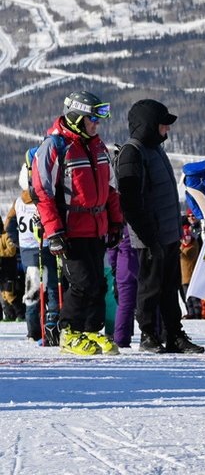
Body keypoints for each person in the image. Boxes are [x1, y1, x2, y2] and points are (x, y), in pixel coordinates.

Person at [32, 90, 123, 356]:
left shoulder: (97, 145)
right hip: (70, 229)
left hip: (97, 226)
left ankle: (91, 331)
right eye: (91, 119)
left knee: (98, 283)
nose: (96, 124)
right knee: (82, 283)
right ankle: (68, 332)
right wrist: (54, 231)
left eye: (97, 119)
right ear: (76, 117)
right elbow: (42, 192)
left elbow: (111, 188)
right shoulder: (55, 146)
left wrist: (116, 222)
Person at [117, 99, 204, 354]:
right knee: (150, 287)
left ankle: (173, 334)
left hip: (167, 233)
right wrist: (148, 234)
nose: (167, 130)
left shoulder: (155, 150)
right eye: (163, 125)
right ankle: (148, 335)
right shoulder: (133, 152)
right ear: (148, 125)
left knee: (169, 288)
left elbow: (162, 196)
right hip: (149, 235)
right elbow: (130, 201)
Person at [13, 155, 60, 345]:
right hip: (42, 249)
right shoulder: (41, 201)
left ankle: (36, 330)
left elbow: (9, 226)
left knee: (34, 291)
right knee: (48, 290)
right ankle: (47, 326)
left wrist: (17, 241)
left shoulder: (18, 202)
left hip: (30, 251)